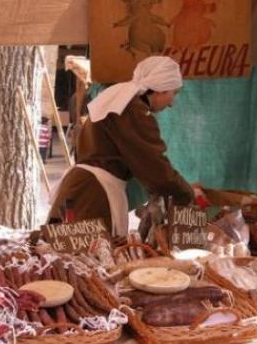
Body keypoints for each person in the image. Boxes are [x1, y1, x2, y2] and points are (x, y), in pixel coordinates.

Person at [48, 56, 195, 235]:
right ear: (160, 90)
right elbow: (154, 168)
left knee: (62, 255)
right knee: (82, 259)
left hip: (78, 189)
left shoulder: (118, 100)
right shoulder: (133, 111)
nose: (171, 103)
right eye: (173, 93)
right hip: (92, 198)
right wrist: (186, 194)